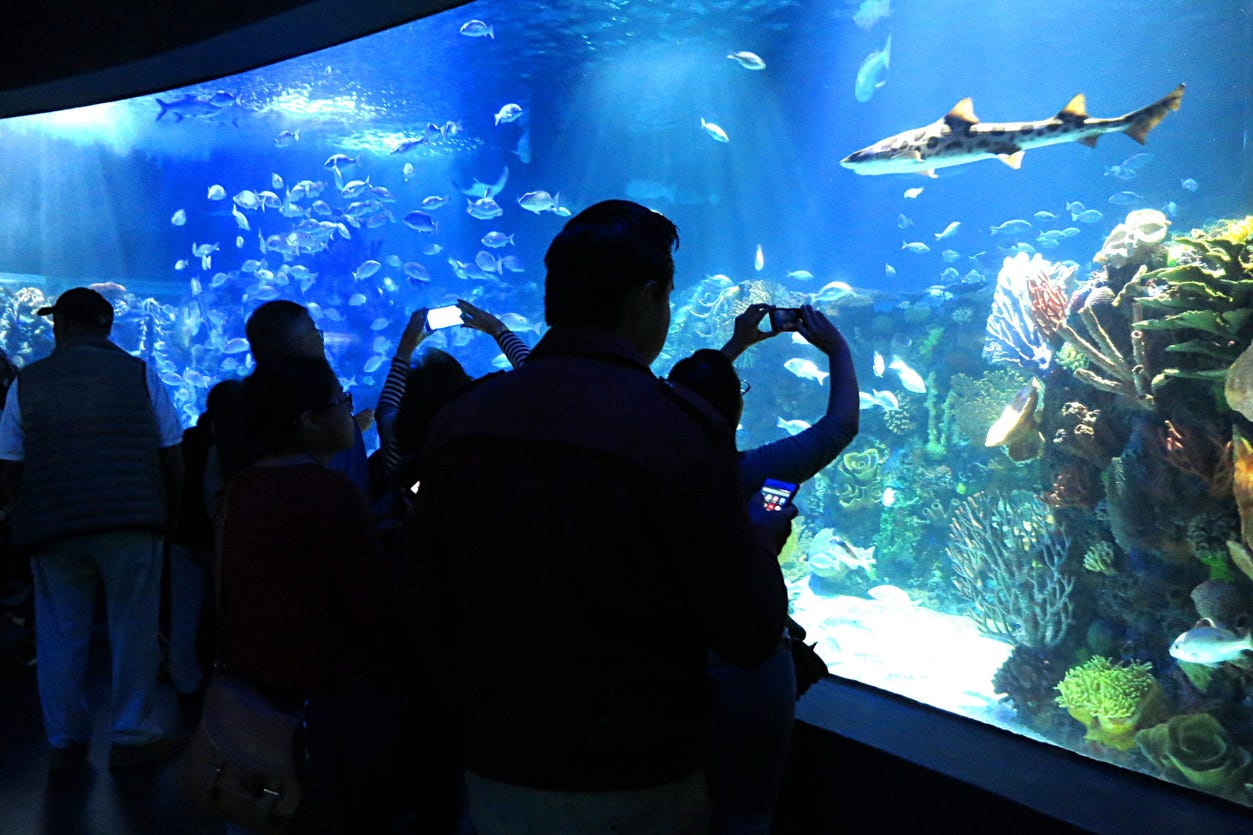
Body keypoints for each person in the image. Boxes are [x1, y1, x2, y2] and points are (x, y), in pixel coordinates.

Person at [406, 199, 794, 835]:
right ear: (647, 298)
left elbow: (426, 601)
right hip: (638, 783)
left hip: (495, 772)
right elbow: (748, 633)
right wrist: (758, 544)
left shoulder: (461, 422)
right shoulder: (680, 431)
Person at [667, 302, 859, 835]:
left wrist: (733, 347)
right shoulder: (755, 471)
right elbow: (839, 427)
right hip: (749, 666)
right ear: (736, 411)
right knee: (746, 810)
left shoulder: (640, 466)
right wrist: (837, 348)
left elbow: (680, 402)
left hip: (665, 661)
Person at [219, 355, 417, 831]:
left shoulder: (243, 487)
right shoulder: (327, 492)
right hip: (324, 702)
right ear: (308, 422)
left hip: (255, 695)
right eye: (342, 403)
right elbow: (374, 602)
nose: (350, 413)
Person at [0, 287, 185, 772]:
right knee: (134, 629)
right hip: (132, 521)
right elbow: (171, 448)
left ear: (61, 326)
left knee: (60, 635)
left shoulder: (28, 382)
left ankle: (64, 740)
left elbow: (9, 461)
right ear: (107, 324)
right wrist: (171, 507)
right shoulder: (139, 374)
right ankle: (131, 730)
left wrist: (21, 509)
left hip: (54, 525)